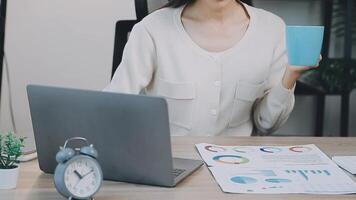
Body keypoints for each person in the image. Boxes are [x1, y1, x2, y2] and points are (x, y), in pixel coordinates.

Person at [104, 0, 320, 136]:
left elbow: (266, 124)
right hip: (170, 165)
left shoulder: (272, 29)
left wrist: (291, 75)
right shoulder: (152, 30)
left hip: (239, 166)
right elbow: (113, 107)